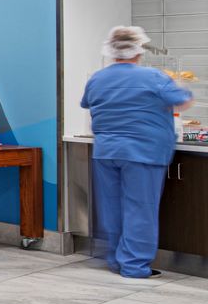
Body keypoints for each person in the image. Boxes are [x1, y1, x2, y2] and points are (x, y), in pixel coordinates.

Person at [80, 25, 192, 279]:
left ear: (110, 50)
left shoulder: (97, 78)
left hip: (106, 152)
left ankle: (116, 260)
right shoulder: (153, 77)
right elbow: (184, 101)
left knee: (112, 208)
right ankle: (134, 266)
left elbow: (87, 102)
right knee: (139, 209)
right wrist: (179, 83)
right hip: (143, 152)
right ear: (138, 49)